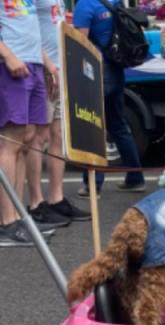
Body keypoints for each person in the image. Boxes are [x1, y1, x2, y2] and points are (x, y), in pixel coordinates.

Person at [27, 0, 92, 226]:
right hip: (42, 68)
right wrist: (45, 63)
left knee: (59, 134)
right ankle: (36, 202)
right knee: (38, 137)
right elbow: (29, 27)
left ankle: (56, 198)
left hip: (61, 66)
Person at [0, 0, 59, 246]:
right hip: (11, 64)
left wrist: (47, 64)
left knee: (26, 140)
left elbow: (31, 27)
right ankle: (7, 222)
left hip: (32, 63)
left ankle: (18, 215)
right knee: (10, 142)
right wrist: (7, 55)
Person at [73, 0, 146, 196]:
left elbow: (81, 44)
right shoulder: (112, 1)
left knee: (92, 126)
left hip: (97, 71)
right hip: (116, 69)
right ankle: (135, 177)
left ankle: (93, 184)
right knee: (119, 125)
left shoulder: (84, 6)